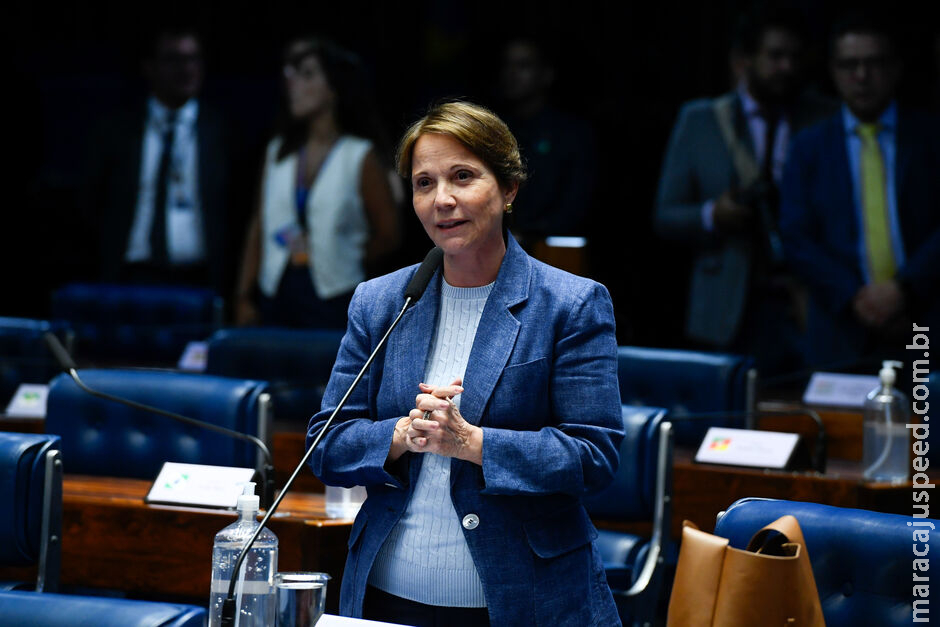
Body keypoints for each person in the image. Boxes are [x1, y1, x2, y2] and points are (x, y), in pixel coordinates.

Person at [307, 101, 623, 625]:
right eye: (424, 182)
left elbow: (593, 455)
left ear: (509, 189)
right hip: (388, 594)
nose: (442, 200)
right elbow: (327, 444)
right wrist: (402, 434)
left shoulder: (570, 302)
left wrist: (471, 444)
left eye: (462, 177)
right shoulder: (381, 301)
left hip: (522, 598)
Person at [653, 6, 834, 376]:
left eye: (794, 57)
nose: (786, 67)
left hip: (805, 296)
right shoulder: (702, 119)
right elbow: (665, 215)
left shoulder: (823, 116)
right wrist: (712, 215)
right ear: (743, 60)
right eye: (775, 56)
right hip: (727, 299)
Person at [780, 14, 940, 369]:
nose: (862, 76)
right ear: (833, 71)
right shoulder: (809, 146)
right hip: (841, 325)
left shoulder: (930, 137)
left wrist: (904, 290)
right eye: (849, 64)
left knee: (925, 423)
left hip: (923, 318)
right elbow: (795, 236)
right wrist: (856, 297)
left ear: (896, 68)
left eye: (874, 63)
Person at [235, 38, 401, 329]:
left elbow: (388, 235)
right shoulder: (278, 152)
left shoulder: (358, 155)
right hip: (276, 290)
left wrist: (345, 257)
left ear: (333, 87)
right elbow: (259, 225)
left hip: (334, 295)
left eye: (308, 74)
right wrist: (243, 295)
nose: (293, 83)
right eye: (291, 74)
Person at [85, 26, 237, 294]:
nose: (186, 69)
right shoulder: (117, 130)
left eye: (193, 59)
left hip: (201, 280)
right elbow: (93, 203)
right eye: (173, 60)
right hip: (130, 277)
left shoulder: (222, 132)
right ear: (150, 67)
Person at [496, 38, 597, 241]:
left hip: (554, 248)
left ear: (546, 74)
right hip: (498, 245)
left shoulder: (572, 133)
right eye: (507, 65)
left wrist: (529, 233)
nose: (512, 73)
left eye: (523, 65)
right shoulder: (494, 132)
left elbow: (576, 205)